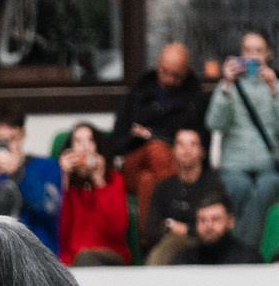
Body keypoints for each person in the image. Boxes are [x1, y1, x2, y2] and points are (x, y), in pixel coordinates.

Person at [205, 29, 279, 248]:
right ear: (240, 54)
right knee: (240, 187)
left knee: (265, 189)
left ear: (268, 55)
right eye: (247, 50)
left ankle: (241, 250)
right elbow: (213, 124)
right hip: (233, 166)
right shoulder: (227, 87)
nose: (252, 56)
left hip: (270, 166)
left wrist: (274, 91)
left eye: (258, 51)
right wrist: (226, 87)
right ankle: (247, 251)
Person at [111, 42, 206, 222]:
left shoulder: (194, 99)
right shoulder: (140, 90)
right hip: (134, 159)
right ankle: (180, 203)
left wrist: (155, 135)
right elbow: (117, 140)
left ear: (185, 73)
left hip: (175, 161)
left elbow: (199, 141)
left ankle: (151, 238)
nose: (168, 79)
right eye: (164, 71)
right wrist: (137, 137)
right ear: (157, 64)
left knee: (147, 180)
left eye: (176, 75)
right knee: (156, 149)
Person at [0, 108, 60, 253]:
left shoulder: (47, 167)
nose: (7, 146)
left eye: (12, 139)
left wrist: (19, 173)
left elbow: (50, 209)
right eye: (1, 140)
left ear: (22, 135)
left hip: (39, 253)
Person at [144, 128, 224, 264]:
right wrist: (170, 228)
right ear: (173, 150)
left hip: (205, 246)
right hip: (167, 245)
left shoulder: (213, 186)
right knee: (168, 244)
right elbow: (151, 229)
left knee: (170, 244)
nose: (187, 150)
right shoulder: (163, 187)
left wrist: (186, 229)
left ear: (202, 151)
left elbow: (219, 227)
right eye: (181, 144)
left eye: (193, 144)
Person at [56, 122, 129, 265]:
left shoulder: (114, 180)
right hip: (69, 259)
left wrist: (99, 183)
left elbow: (117, 231)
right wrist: (63, 179)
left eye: (90, 140)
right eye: (78, 141)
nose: (85, 147)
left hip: (109, 255)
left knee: (85, 257)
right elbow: (59, 233)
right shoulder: (64, 185)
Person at [176, 192, 260, 265]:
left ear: (230, 222)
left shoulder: (249, 260)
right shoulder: (184, 260)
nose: (208, 226)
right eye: (202, 220)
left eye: (215, 219)